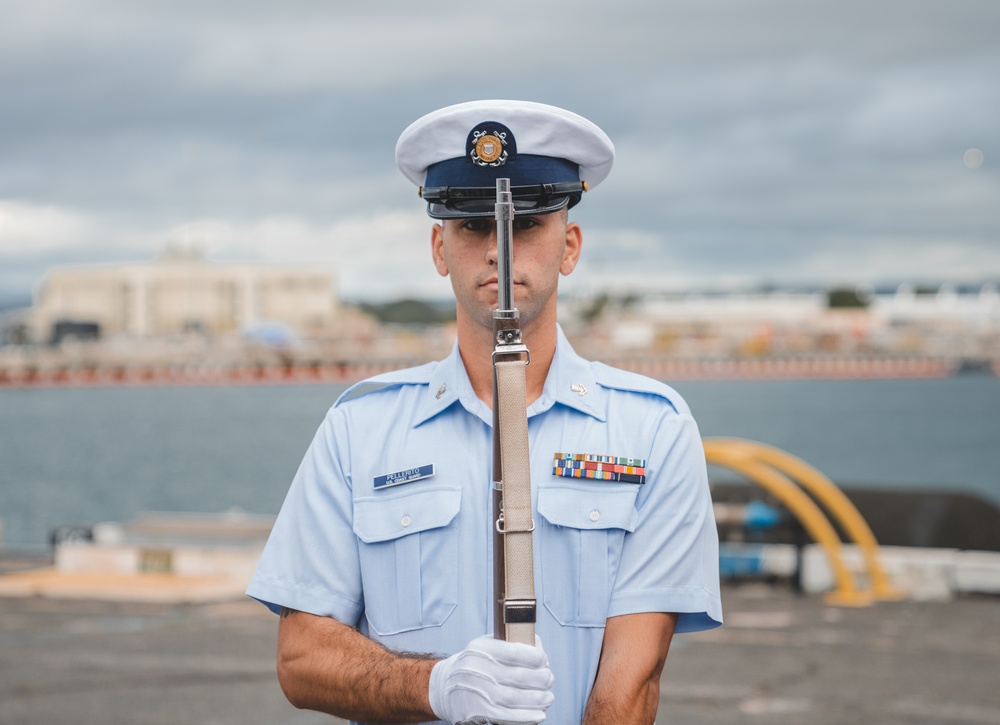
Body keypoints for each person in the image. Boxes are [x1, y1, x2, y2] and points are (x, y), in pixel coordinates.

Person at [246, 99, 723, 725]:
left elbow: (629, 688)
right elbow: (302, 658)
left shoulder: (651, 430)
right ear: (440, 249)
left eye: (527, 227)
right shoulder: (360, 430)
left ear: (570, 246)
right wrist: (435, 685)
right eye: (473, 228)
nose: (499, 250)